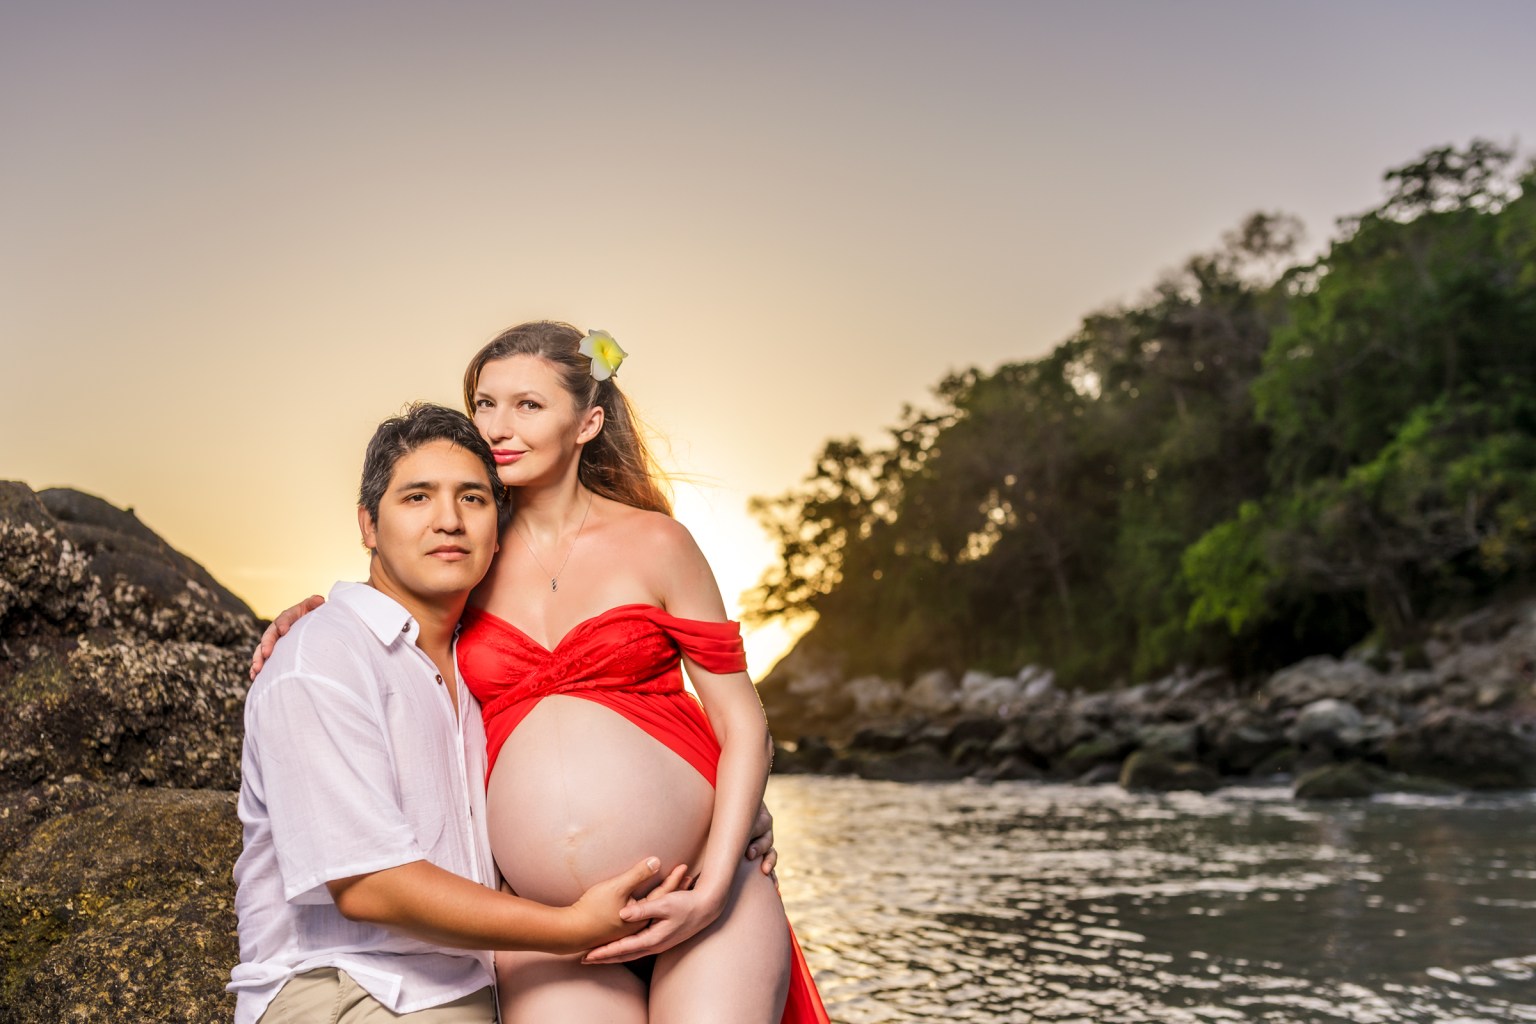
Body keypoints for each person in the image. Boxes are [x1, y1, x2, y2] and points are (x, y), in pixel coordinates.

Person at [253, 322, 827, 1023]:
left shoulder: (658, 543)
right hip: (539, 918)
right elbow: (389, 612)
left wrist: (721, 860)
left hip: (699, 886)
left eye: (527, 405)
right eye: (484, 405)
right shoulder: (471, 557)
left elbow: (743, 723)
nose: (498, 427)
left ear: (588, 421)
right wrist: (304, 615)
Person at [228, 404, 688, 1024]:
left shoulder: (485, 669)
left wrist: (726, 811)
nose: (448, 520)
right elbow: (369, 885)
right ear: (368, 525)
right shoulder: (322, 657)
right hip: (355, 988)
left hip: (470, 983)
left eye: (472, 499)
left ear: (497, 530)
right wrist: (569, 928)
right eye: (417, 497)